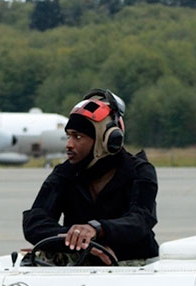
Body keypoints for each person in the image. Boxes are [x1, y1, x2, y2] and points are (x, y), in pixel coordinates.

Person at [22, 89, 158, 264]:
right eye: (68, 136)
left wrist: (98, 229)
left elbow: (140, 220)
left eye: (78, 137)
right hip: (81, 263)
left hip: (135, 265)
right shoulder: (65, 173)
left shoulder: (139, 171)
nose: (69, 145)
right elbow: (35, 223)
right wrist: (79, 240)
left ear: (107, 140)